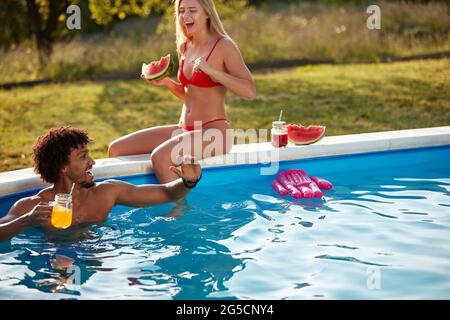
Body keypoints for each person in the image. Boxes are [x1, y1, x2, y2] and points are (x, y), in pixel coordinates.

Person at [108, 0, 256, 184]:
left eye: (192, 10)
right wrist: (168, 83)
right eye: (181, 10)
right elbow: (191, 95)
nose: (185, 16)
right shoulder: (185, 46)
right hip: (183, 129)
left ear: (207, 13)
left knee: (160, 158)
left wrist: (214, 72)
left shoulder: (224, 46)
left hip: (214, 133)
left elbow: (249, 91)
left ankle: (179, 211)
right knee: (116, 149)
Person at [0, 126, 202, 242]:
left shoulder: (107, 193)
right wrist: (27, 220)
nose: (92, 162)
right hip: (54, 258)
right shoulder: (34, 207)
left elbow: (167, 194)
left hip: (100, 253)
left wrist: (188, 181)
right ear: (62, 167)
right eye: (83, 156)